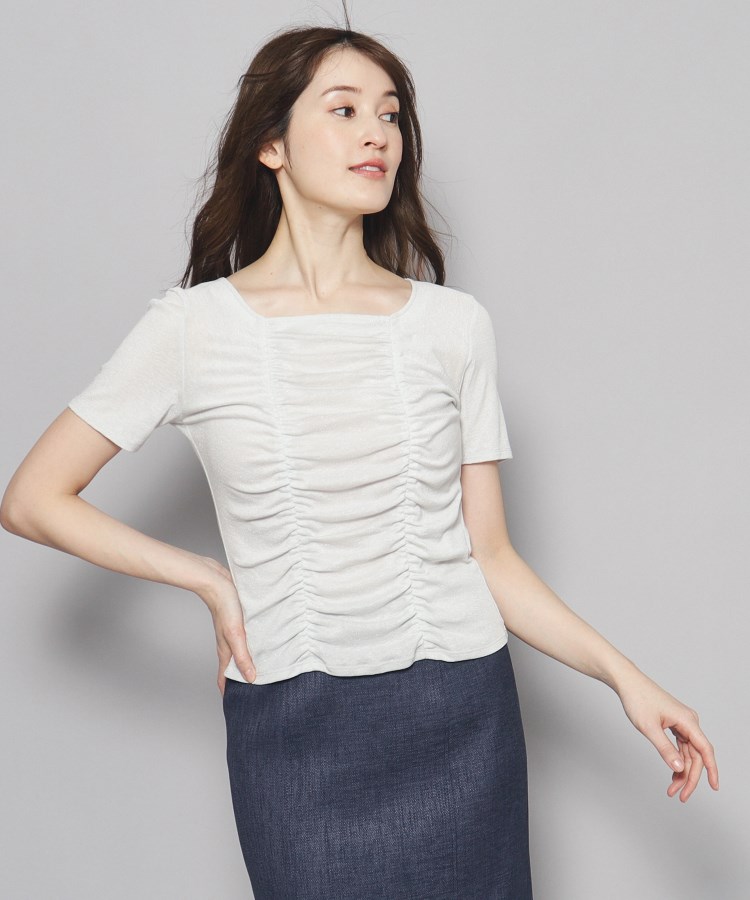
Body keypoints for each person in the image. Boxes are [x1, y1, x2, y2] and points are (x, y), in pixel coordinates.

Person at [0, 20, 719, 900]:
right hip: (293, 721)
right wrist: (208, 580)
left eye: (390, 114)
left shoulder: (453, 326)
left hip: (460, 711)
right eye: (343, 110)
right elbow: (32, 498)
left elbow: (491, 556)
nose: (376, 133)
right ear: (270, 144)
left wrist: (627, 682)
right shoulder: (191, 330)